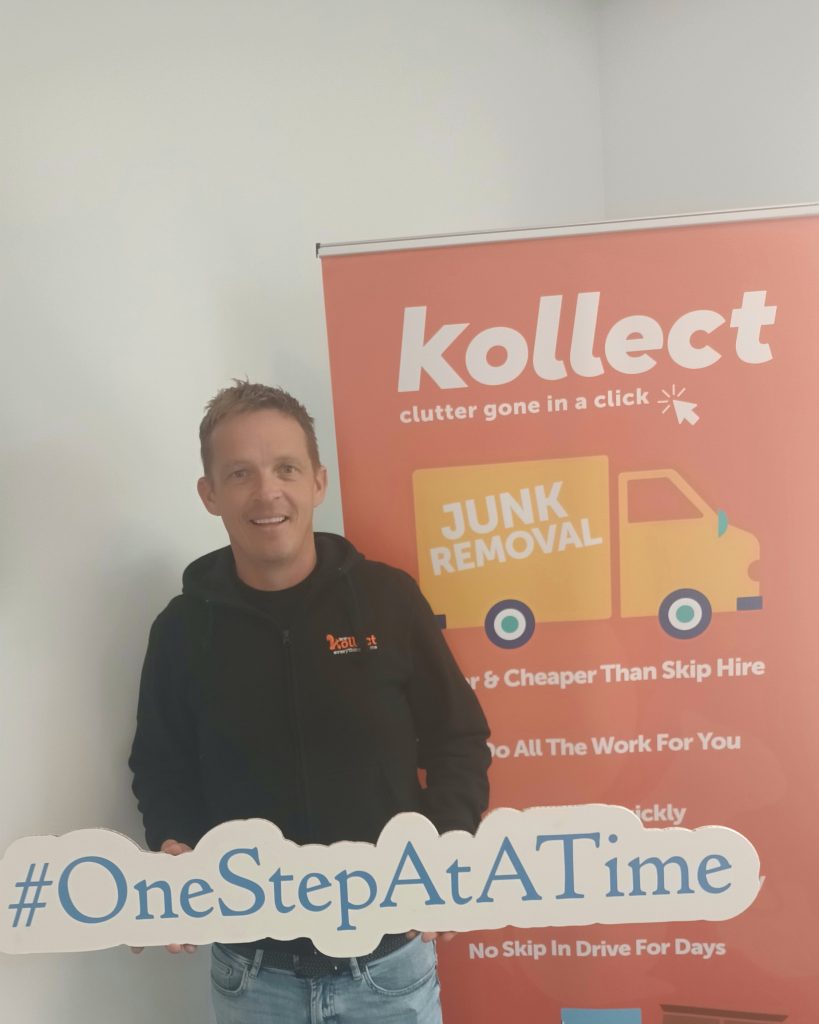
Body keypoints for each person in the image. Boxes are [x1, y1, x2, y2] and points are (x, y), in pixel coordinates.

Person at [128, 380, 491, 1023]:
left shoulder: (388, 600)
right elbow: (161, 766)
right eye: (240, 473)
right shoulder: (181, 629)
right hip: (251, 974)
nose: (267, 492)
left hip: (389, 968)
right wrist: (174, 844)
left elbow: (457, 739)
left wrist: (444, 850)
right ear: (210, 494)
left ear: (319, 482)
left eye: (286, 468)